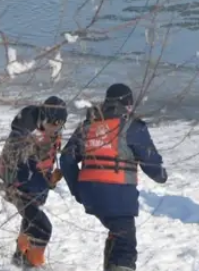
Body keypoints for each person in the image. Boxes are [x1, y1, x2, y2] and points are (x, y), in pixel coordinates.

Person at [60, 83, 168, 271]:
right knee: (126, 245)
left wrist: (78, 190)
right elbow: (151, 163)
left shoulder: (88, 126)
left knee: (117, 234)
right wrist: (161, 175)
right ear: (127, 105)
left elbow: (66, 158)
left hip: (90, 195)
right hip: (118, 197)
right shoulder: (132, 127)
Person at [0, 96, 68, 268]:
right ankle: (33, 265)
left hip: (36, 188)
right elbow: (16, 167)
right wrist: (17, 187)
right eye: (51, 123)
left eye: (59, 125)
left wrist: (50, 180)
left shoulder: (51, 132)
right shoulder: (22, 135)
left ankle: (20, 256)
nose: (54, 128)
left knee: (30, 222)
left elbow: (42, 163)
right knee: (42, 228)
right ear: (42, 117)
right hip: (16, 187)